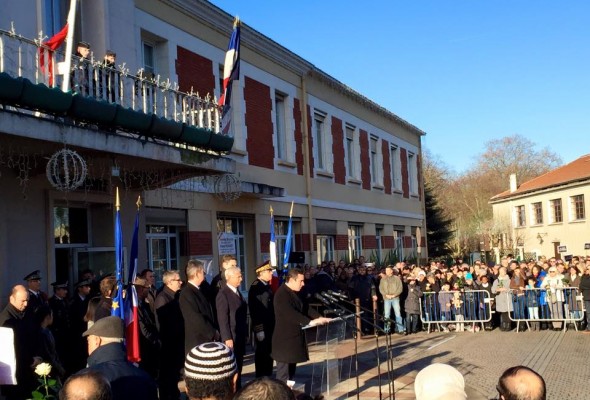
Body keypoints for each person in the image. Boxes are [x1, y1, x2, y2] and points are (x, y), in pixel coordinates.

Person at [272, 268, 331, 383]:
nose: (303, 284)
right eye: (301, 281)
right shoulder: (281, 294)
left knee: (291, 374)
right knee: (283, 376)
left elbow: (305, 308)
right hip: (284, 342)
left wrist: (319, 317)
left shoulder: (295, 293)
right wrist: (310, 322)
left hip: (293, 340)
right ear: (291, 280)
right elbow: (290, 313)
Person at [80, 316, 157, 400]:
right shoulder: (145, 378)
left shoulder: (84, 379)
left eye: (88, 341)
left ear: (97, 341)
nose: (87, 345)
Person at [0, 285, 42, 400]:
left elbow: (33, 336)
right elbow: (13, 349)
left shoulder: (25, 313)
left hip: (28, 368)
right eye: (22, 301)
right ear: (12, 299)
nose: (26, 304)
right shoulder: (5, 320)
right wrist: (31, 360)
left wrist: (37, 356)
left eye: (27, 300)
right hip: (17, 373)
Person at [215, 267, 248, 388]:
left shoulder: (237, 291)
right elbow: (222, 318)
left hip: (240, 335)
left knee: (239, 366)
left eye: (241, 275)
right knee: (233, 368)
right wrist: (227, 337)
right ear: (229, 277)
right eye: (238, 276)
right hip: (232, 337)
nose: (241, 278)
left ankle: (237, 390)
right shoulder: (223, 294)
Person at [154, 270, 184, 400]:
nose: (181, 282)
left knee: (174, 376)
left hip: (176, 344)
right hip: (168, 346)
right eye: (178, 280)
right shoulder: (162, 298)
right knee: (168, 377)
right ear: (169, 282)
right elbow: (165, 325)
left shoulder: (176, 296)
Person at [179, 259, 219, 355]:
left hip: (205, 340)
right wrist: (213, 332)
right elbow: (196, 318)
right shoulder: (187, 293)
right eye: (203, 272)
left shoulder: (199, 290)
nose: (204, 275)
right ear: (197, 274)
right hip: (198, 341)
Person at [248, 261, 276, 377]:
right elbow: (255, 310)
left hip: (270, 325)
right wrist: (259, 329)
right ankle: (260, 377)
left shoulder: (266, 286)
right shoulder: (256, 287)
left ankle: (268, 375)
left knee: (269, 352)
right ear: (261, 272)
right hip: (262, 327)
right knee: (262, 352)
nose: (271, 274)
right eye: (269, 271)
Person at [133, 276, 160, 379]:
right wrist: (153, 340)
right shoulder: (135, 306)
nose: (149, 290)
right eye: (147, 288)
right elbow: (143, 328)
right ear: (141, 289)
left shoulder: (143, 304)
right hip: (145, 347)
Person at [35, 305, 66, 381]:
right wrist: (59, 368)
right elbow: (48, 354)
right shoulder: (42, 334)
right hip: (49, 368)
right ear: (48, 317)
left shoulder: (47, 331)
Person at [69, 279, 92, 373]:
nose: (89, 288)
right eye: (86, 287)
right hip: (77, 333)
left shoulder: (89, 300)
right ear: (80, 289)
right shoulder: (73, 302)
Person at [49, 280, 70, 370]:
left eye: (66, 289)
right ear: (57, 290)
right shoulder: (51, 302)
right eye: (63, 289)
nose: (66, 292)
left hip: (65, 334)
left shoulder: (65, 301)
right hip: (57, 335)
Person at [379, 265, 404, 334]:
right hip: (386, 298)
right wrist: (386, 295)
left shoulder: (397, 279)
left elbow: (400, 288)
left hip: (395, 298)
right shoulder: (383, 279)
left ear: (391, 271)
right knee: (387, 314)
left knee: (398, 314)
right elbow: (381, 289)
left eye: (388, 270)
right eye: (386, 270)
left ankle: (400, 329)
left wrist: (394, 295)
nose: (386, 272)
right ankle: (387, 329)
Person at [492, 267, 513, 331]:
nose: (501, 273)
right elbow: (493, 290)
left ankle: (508, 326)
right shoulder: (497, 280)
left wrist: (506, 289)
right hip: (500, 298)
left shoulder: (509, 280)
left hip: (507, 298)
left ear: (505, 272)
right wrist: (497, 290)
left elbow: (512, 289)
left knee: (507, 312)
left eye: (502, 271)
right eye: (500, 272)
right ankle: (503, 325)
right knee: (502, 313)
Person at [579, 264, 590, 332]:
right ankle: (589, 327)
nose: (587, 270)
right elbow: (581, 285)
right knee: (588, 312)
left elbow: (586, 284)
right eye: (586, 269)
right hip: (586, 296)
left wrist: (585, 286)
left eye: (588, 269)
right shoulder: (583, 276)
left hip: (587, 294)